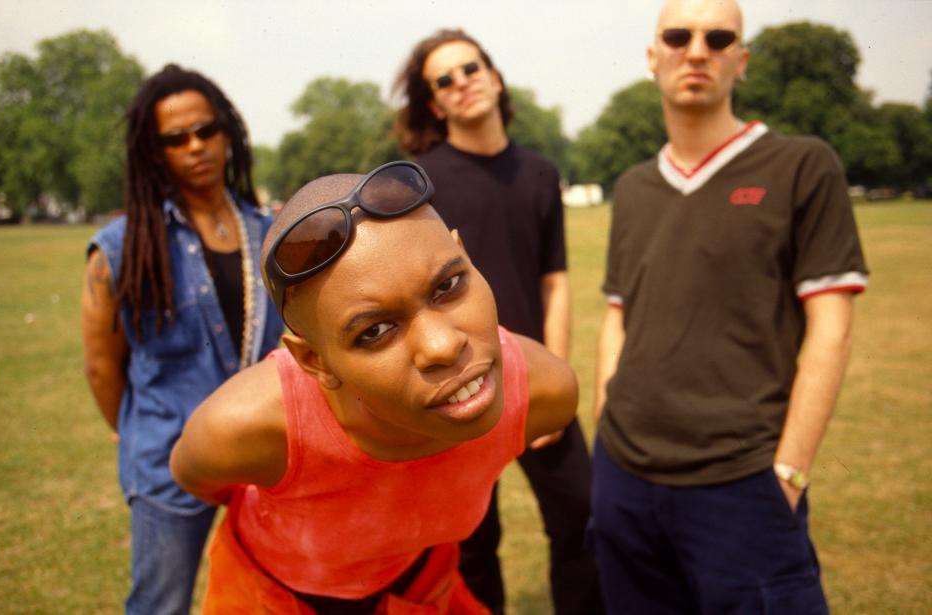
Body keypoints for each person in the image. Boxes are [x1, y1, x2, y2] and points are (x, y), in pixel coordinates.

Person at [168, 162, 580, 614]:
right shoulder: (247, 430)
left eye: (449, 285)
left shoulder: (542, 393)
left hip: (418, 588)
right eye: (374, 331)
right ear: (315, 361)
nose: (443, 346)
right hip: (272, 598)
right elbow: (197, 477)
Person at [591, 1, 869, 612]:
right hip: (624, 479)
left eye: (719, 38)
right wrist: (605, 430)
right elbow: (618, 317)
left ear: (740, 62)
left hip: (743, 481)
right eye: (678, 35)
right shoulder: (635, 186)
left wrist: (790, 473)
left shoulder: (802, 164)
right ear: (652, 55)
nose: (697, 50)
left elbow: (831, 327)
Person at [392, 29, 602, 614]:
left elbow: (554, 280)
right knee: (470, 540)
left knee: (582, 516)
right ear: (434, 104)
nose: (463, 83)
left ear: (495, 76)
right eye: (445, 79)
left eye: (471, 68)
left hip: (531, 379)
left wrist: (552, 376)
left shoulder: (539, 173)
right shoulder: (417, 185)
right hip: (456, 383)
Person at [80, 64, 284, 614]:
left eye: (206, 130)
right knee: (161, 604)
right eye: (176, 138)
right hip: (169, 463)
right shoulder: (121, 247)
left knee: (277, 599)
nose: (195, 146)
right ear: (154, 151)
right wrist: (139, 432)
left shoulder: (266, 233)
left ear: (228, 134)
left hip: (264, 459)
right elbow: (102, 368)